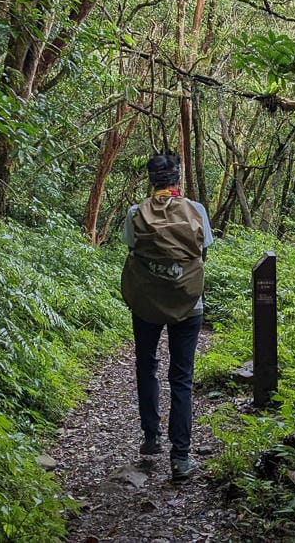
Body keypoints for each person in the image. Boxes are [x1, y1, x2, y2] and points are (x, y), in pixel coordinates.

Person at [121, 152, 212, 482]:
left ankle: (151, 438)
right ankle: (181, 458)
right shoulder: (196, 210)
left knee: (146, 365)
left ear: (151, 179)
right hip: (189, 304)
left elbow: (131, 250)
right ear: (178, 177)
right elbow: (202, 253)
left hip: (146, 302)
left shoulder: (136, 212)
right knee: (182, 377)